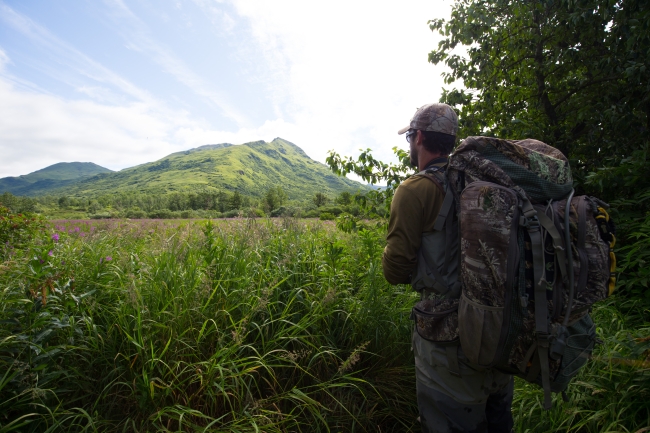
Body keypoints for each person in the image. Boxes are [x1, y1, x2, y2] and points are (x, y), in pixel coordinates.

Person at [382, 103, 514, 433]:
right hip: (500, 331)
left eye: (410, 137)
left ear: (419, 137)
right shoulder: (483, 183)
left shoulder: (414, 189)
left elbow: (394, 270)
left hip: (447, 343)